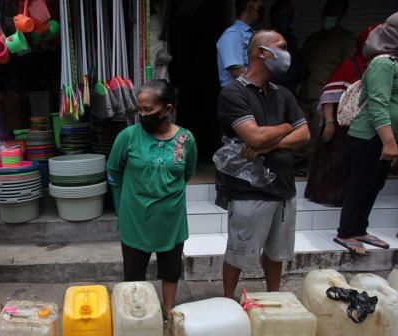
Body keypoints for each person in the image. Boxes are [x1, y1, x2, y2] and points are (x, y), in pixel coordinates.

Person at [217, 30, 310, 298]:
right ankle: (227, 300)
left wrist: (270, 145)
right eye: (281, 47)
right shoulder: (234, 93)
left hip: (283, 187)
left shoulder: (283, 94)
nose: (287, 53)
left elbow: (304, 134)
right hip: (249, 189)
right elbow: (253, 135)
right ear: (262, 52)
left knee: (276, 253)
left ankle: (274, 297)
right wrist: (284, 127)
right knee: (239, 253)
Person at [107, 79, 197, 318]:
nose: (142, 115)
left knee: (171, 268)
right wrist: (123, 207)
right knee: (134, 273)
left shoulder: (184, 140)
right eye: (139, 109)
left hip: (171, 219)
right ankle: (137, 313)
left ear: (167, 109)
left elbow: (186, 174)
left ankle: (168, 308)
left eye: (148, 110)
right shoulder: (128, 137)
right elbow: (114, 171)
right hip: (136, 218)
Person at [334, 11, 398, 255]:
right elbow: (378, 104)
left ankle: (360, 228)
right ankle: (346, 232)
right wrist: (389, 142)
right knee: (361, 185)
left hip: (390, 137)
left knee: (375, 185)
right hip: (369, 137)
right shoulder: (383, 63)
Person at [305, 24, 379, 207]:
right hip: (340, 126)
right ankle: (326, 196)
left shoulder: (379, 68)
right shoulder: (349, 65)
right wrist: (329, 122)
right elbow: (330, 95)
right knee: (335, 163)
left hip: (363, 126)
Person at [295, 0, 357, 176]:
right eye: (327, 11)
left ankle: (315, 175)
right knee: (299, 133)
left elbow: (348, 71)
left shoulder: (347, 38)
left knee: (318, 136)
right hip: (304, 93)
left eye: (334, 12)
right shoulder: (313, 39)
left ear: (341, 15)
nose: (329, 15)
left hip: (325, 97)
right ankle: (298, 167)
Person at [216, 0, 264, 88]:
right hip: (238, 95)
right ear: (250, 4)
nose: (262, 6)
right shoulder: (233, 34)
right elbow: (237, 71)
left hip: (251, 93)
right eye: (258, 4)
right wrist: (259, 87)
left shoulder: (254, 34)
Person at [269, 0, 304, 95]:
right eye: (285, 13)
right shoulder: (266, 39)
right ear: (275, 16)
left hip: (290, 91)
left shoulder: (291, 40)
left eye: (290, 14)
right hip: (273, 91)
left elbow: (299, 68)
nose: (288, 17)